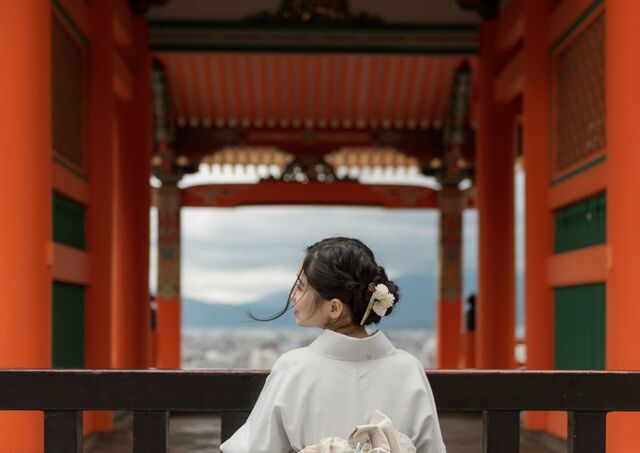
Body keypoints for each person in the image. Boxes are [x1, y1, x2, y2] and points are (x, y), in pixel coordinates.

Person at [220, 237, 446, 453]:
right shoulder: (409, 368)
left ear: (334, 308)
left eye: (300, 287)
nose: (292, 296)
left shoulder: (294, 367)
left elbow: (256, 448)